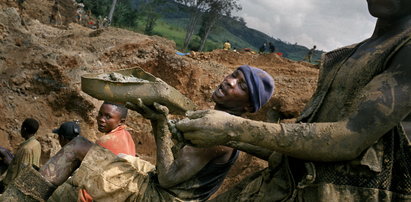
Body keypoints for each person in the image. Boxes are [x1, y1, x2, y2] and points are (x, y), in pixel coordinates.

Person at [176, 0, 411, 201]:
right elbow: (302, 142)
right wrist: (222, 131)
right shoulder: (342, 56)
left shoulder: (405, 50)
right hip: (283, 186)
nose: (229, 83)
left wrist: (232, 128)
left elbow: (350, 139)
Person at [1, 66, 275, 201]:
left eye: (240, 85)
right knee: (123, 159)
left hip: (162, 196)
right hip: (168, 186)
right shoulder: (219, 121)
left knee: (77, 147)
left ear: (249, 105)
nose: (229, 81)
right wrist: (161, 119)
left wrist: (158, 124)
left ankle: (17, 199)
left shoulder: (219, 131)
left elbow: (168, 179)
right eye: (233, 75)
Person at [3, 118, 41, 186]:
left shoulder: (26, 149)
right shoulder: (37, 144)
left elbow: (21, 173)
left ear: (24, 129)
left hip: (13, 187)